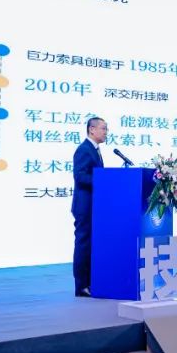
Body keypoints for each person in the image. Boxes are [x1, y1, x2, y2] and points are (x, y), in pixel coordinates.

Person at [72, 117, 108, 297]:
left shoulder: (95, 150)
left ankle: (91, 282)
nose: (106, 132)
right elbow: (80, 176)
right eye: (103, 128)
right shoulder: (84, 149)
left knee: (91, 244)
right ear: (92, 129)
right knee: (83, 244)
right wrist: (103, 180)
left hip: (94, 205)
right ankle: (81, 286)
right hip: (84, 206)